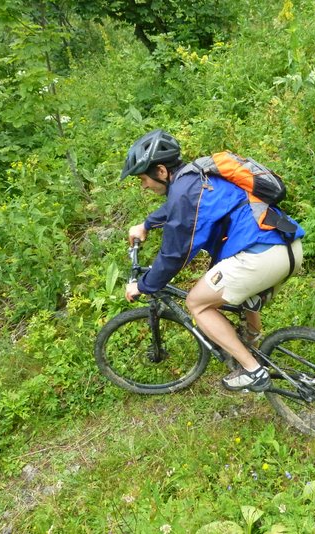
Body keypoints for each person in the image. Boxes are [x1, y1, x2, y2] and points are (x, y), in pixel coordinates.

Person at [121, 129, 305, 392]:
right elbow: (178, 211)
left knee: (197, 304)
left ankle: (253, 372)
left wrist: (144, 285)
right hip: (288, 247)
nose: (144, 186)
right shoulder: (198, 176)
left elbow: (174, 255)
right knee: (232, 294)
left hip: (260, 256)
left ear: (161, 171)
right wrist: (147, 224)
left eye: (143, 179)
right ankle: (251, 350)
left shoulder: (185, 191)